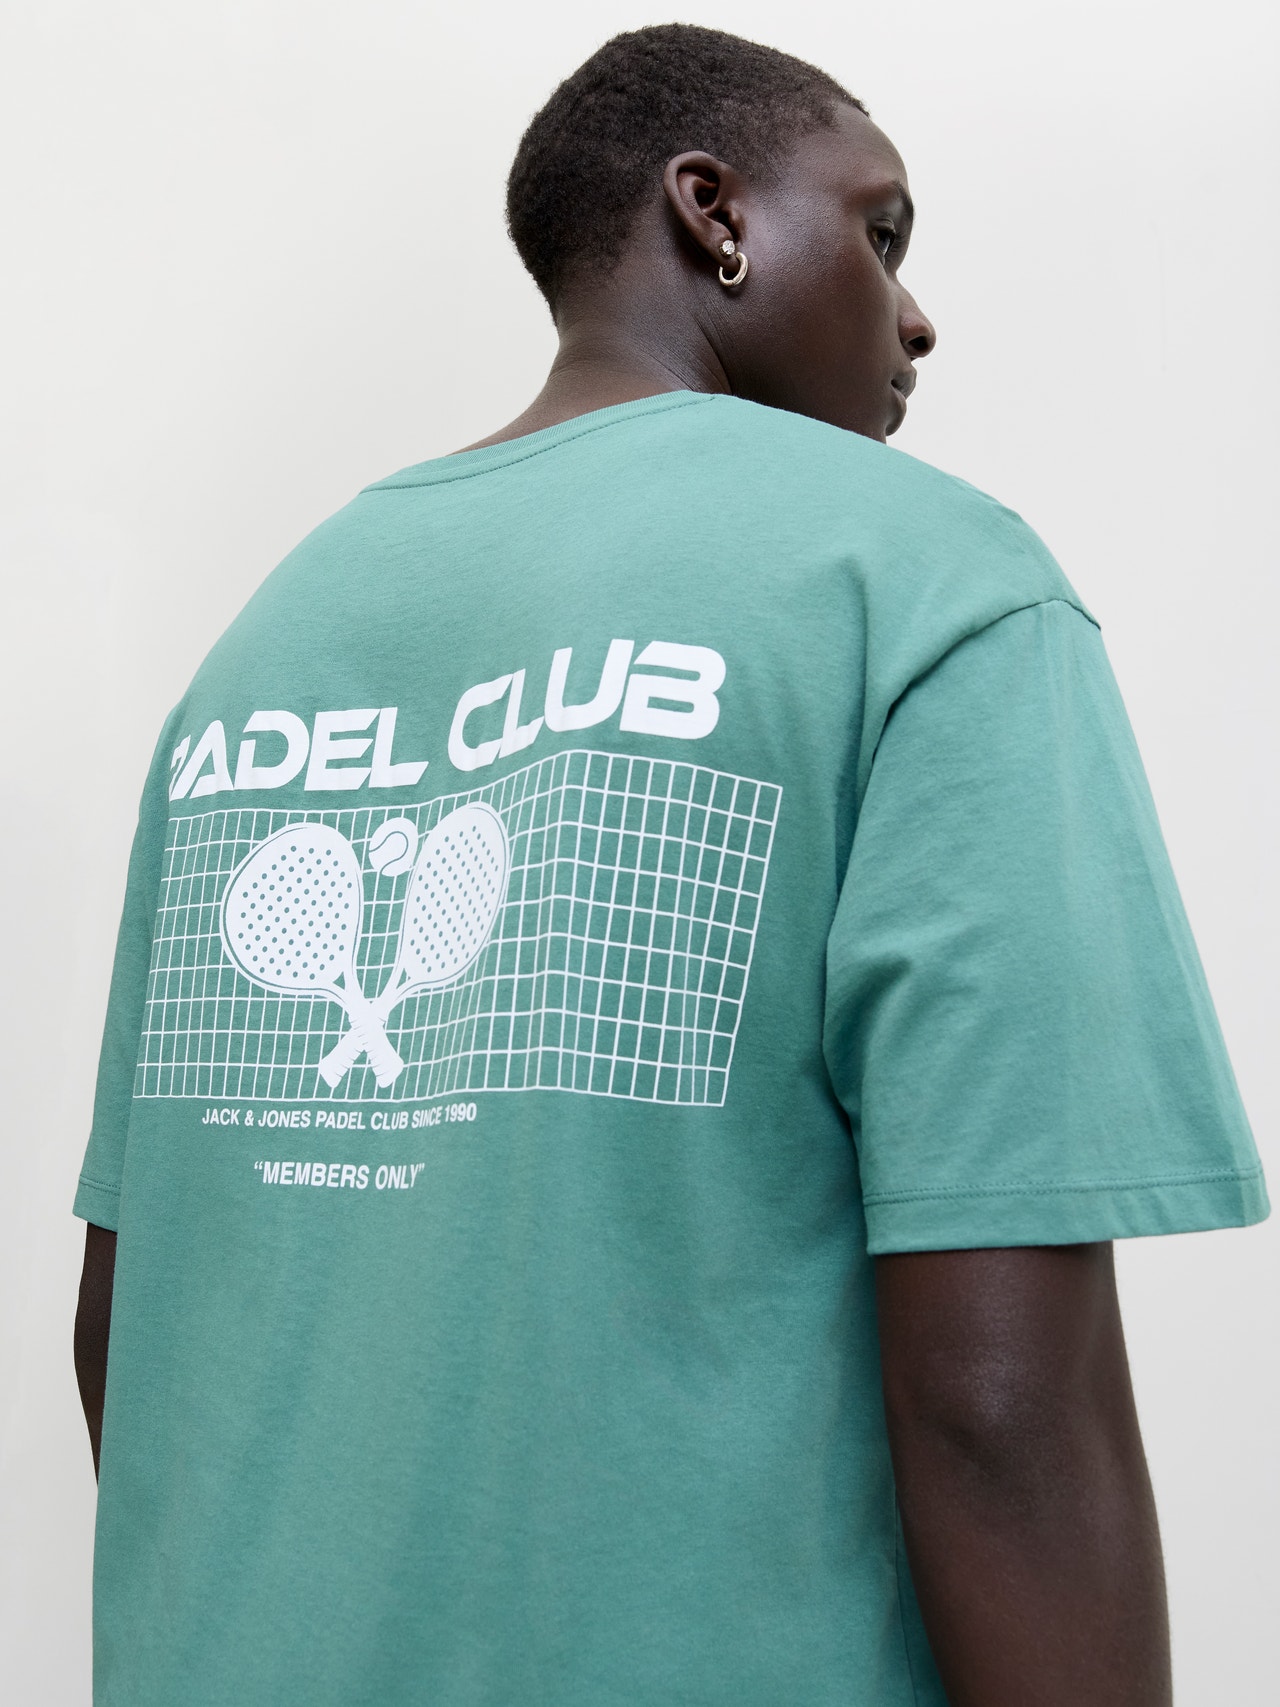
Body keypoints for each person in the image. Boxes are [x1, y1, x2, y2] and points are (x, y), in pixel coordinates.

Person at [74, 22, 1267, 1707]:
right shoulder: (927, 584)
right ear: (714, 215)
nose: (917, 314)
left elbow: (133, 1329)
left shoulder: (271, 640)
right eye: (881, 233)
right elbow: (1004, 1404)